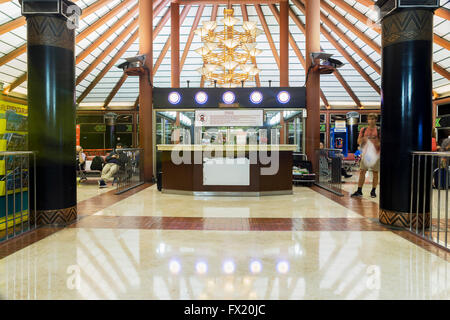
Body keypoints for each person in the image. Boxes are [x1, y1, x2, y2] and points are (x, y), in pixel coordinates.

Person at [351, 113, 380, 198]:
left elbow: (381, 142)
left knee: (375, 172)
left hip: (376, 154)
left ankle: (373, 191)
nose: (371, 120)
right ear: (367, 120)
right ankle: (359, 190)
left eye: (373, 119)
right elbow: (358, 141)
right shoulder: (363, 130)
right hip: (366, 154)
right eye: (370, 119)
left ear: (376, 120)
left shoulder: (378, 130)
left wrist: (375, 142)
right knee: (362, 171)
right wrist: (364, 139)